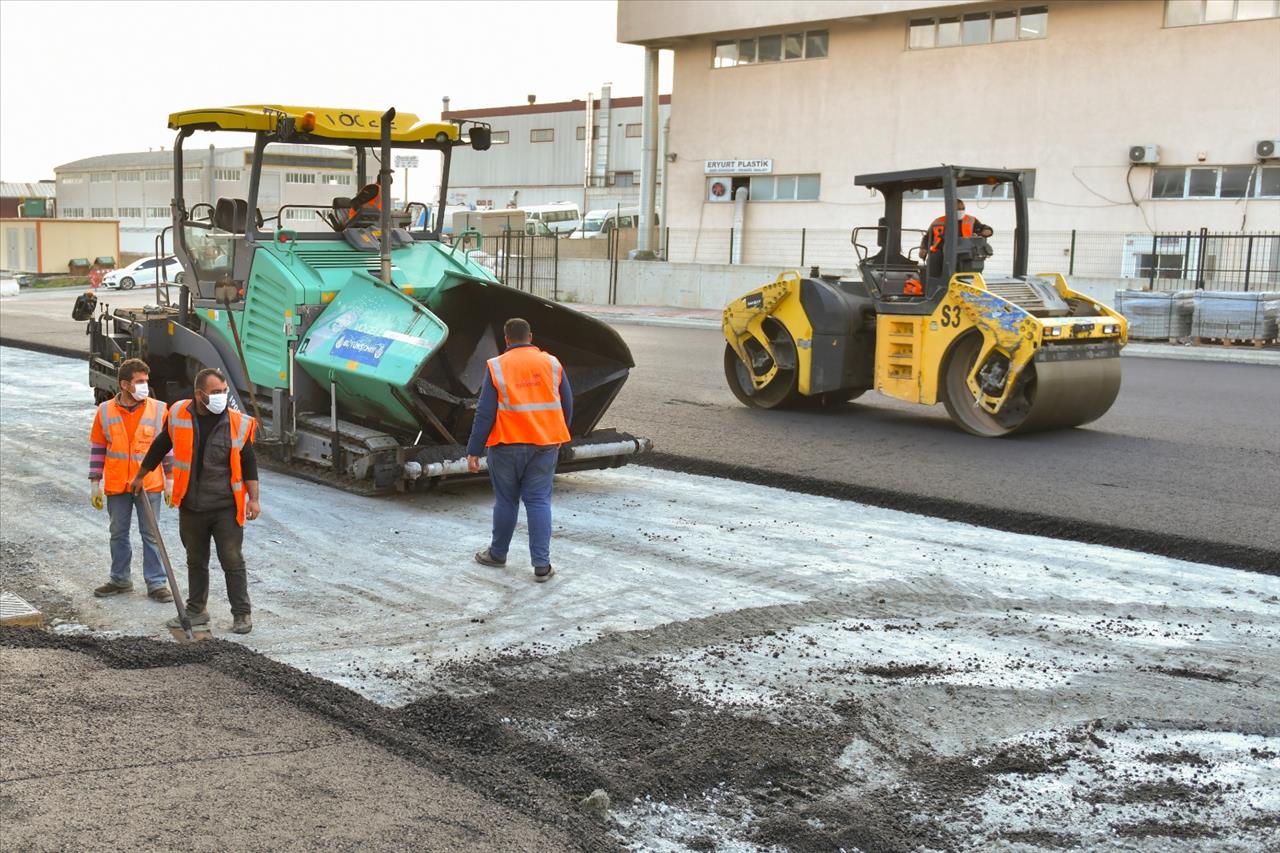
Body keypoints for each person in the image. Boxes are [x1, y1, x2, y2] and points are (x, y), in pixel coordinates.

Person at [131, 368, 260, 634]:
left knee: (232, 560)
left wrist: (254, 499)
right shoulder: (179, 414)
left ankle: (242, 614)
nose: (221, 397)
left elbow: (249, 463)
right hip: (191, 506)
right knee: (195, 560)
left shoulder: (238, 423)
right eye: (215, 393)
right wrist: (140, 476)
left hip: (225, 506)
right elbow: (160, 445)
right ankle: (196, 610)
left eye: (223, 392)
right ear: (200, 394)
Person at [466, 318, 572, 582]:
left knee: (506, 501)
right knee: (538, 501)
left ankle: (497, 554)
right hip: (544, 446)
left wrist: (474, 449)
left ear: (506, 339)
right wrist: (560, 434)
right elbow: (567, 402)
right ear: (531, 336)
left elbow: (485, 412)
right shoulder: (552, 363)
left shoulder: (497, 366)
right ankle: (542, 566)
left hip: (506, 446)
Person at [90, 359, 175, 602]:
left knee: (151, 534)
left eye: (146, 381)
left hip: (149, 484)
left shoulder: (159, 409)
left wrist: (170, 479)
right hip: (118, 484)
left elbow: (167, 448)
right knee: (118, 533)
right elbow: (98, 447)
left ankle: (157, 584)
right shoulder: (105, 411)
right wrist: (94, 482)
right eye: (139, 382)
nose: (145, 386)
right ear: (125, 385)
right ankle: (120, 580)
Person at [920, 199, 994, 271]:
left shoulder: (971, 220)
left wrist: (987, 231)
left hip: (964, 251)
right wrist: (923, 248)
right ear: (950, 209)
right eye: (958, 209)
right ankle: (934, 281)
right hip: (940, 252)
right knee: (934, 259)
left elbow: (984, 229)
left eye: (963, 209)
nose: (961, 211)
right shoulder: (938, 222)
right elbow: (927, 237)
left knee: (971, 260)